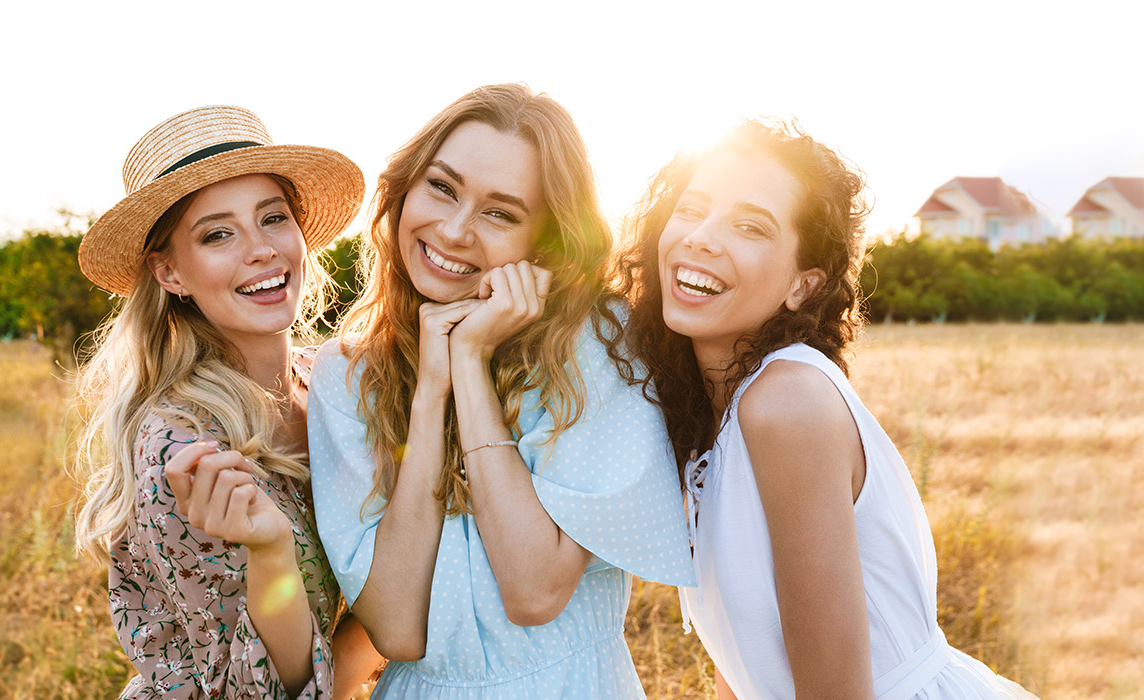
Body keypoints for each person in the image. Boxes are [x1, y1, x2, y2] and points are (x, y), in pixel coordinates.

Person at [612, 120, 1036, 699]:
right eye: (693, 210)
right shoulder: (710, 411)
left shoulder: (786, 402)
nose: (702, 238)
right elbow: (746, 658)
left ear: (802, 286)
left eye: (749, 226)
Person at [307, 83, 694, 699]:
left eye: (500, 212)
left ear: (546, 242)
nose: (455, 230)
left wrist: (470, 361)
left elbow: (535, 589)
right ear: (405, 188)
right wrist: (431, 393)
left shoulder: (597, 344)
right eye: (441, 186)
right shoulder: (345, 375)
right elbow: (397, 629)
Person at [72, 104, 379, 700]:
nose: (261, 250)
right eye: (218, 234)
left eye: (274, 218)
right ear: (169, 273)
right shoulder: (182, 449)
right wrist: (270, 553)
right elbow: (257, 691)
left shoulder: (331, 383)